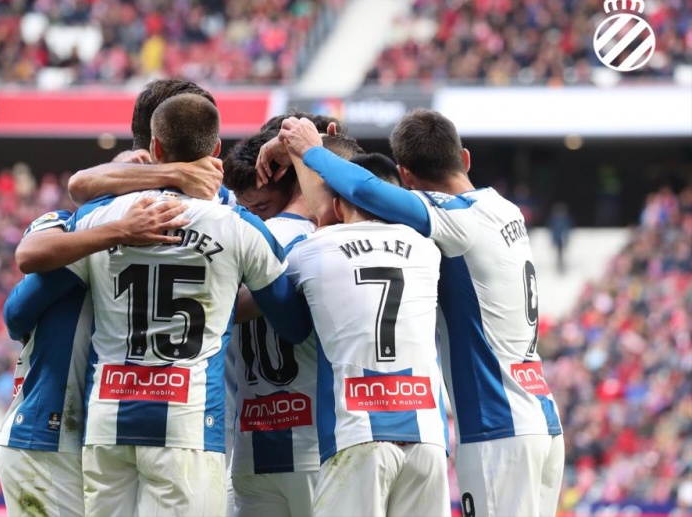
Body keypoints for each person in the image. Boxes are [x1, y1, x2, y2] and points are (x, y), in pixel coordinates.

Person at [6, 94, 311, 517]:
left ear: (155, 148)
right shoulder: (239, 225)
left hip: (107, 425)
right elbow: (292, 324)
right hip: (187, 424)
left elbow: (20, 307)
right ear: (216, 149)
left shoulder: (101, 217)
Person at [268, 111, 564, 517]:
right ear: (464, 158)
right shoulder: (505, 209)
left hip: (498, 426)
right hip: (542, 416)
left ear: (405, 177)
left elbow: (365, 191)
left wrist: (311, 150)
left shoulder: (454, 221)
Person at [0, 78, 224, 517]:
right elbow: (15, 312)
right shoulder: (77, 224)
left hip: (126, 436)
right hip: (52, 439)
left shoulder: (211, 217)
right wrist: (113, 231)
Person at [283, 153, 450, 517]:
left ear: (337, 206)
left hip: (357, 435)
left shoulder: (312, 249)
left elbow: (267, 309)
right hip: (428, 439)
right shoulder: (428, 247)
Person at [224, 125, 362, 517]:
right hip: (316, 445)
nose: (251, 212)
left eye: (259, 205)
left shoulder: (234, 236)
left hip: (250, 449)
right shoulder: (329, 238)